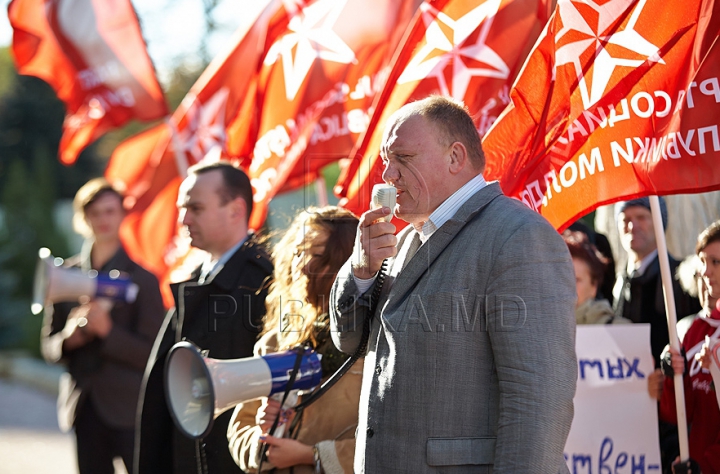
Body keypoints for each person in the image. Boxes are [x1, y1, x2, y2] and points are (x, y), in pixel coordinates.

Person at [330, 96, 577, 473]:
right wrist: (362, 272)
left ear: (455, 158)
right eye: (386, 161)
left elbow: (538, 402)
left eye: (404, 159)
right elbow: (350, 341)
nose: (388, 176)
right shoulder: (408, 240)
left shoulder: (519, 236)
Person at [136, 161, 273, 474]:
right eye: (183, 208)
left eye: (195, 208)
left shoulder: (264, 281)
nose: (184, 219)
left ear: (236, 210)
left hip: (228, 460)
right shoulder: (198, 275)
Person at [40, 178, 164, 474]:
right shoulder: (62, 277)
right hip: (84, 408)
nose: (103, 220)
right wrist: (71, 338)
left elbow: (153, 354)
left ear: (122, 215)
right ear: (84, 219)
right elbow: (49, 347)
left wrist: (108, 332)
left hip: (129, 410)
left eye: (110, 211)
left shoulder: (143, 280)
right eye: (95, 213)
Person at [227, 206, 361, 473]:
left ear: (347, 261)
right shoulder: (274, 343)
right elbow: (239, 430)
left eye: (316, 255)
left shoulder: (373, 342)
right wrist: (264, 438)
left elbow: (393, 440)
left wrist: (311, 455)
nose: (300, 265)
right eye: (298, 252)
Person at [658, 220, 720, 473]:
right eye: (703, 262)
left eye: (716, 262)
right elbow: (676, 415)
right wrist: (672, 375)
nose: (706, 273)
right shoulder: (695, 330)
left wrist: (705, 465)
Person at [613, 197, 701, 365]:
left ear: (659, 222)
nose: (632, 226)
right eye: (625, 219)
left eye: (641, 217)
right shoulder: (616, 284)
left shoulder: (684, 279)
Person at [563, 230, 630, 325]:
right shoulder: (541, 330)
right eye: (561, 280)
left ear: (594, 285)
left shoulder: (623, 331)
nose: (567, 287)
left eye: (576, 280)